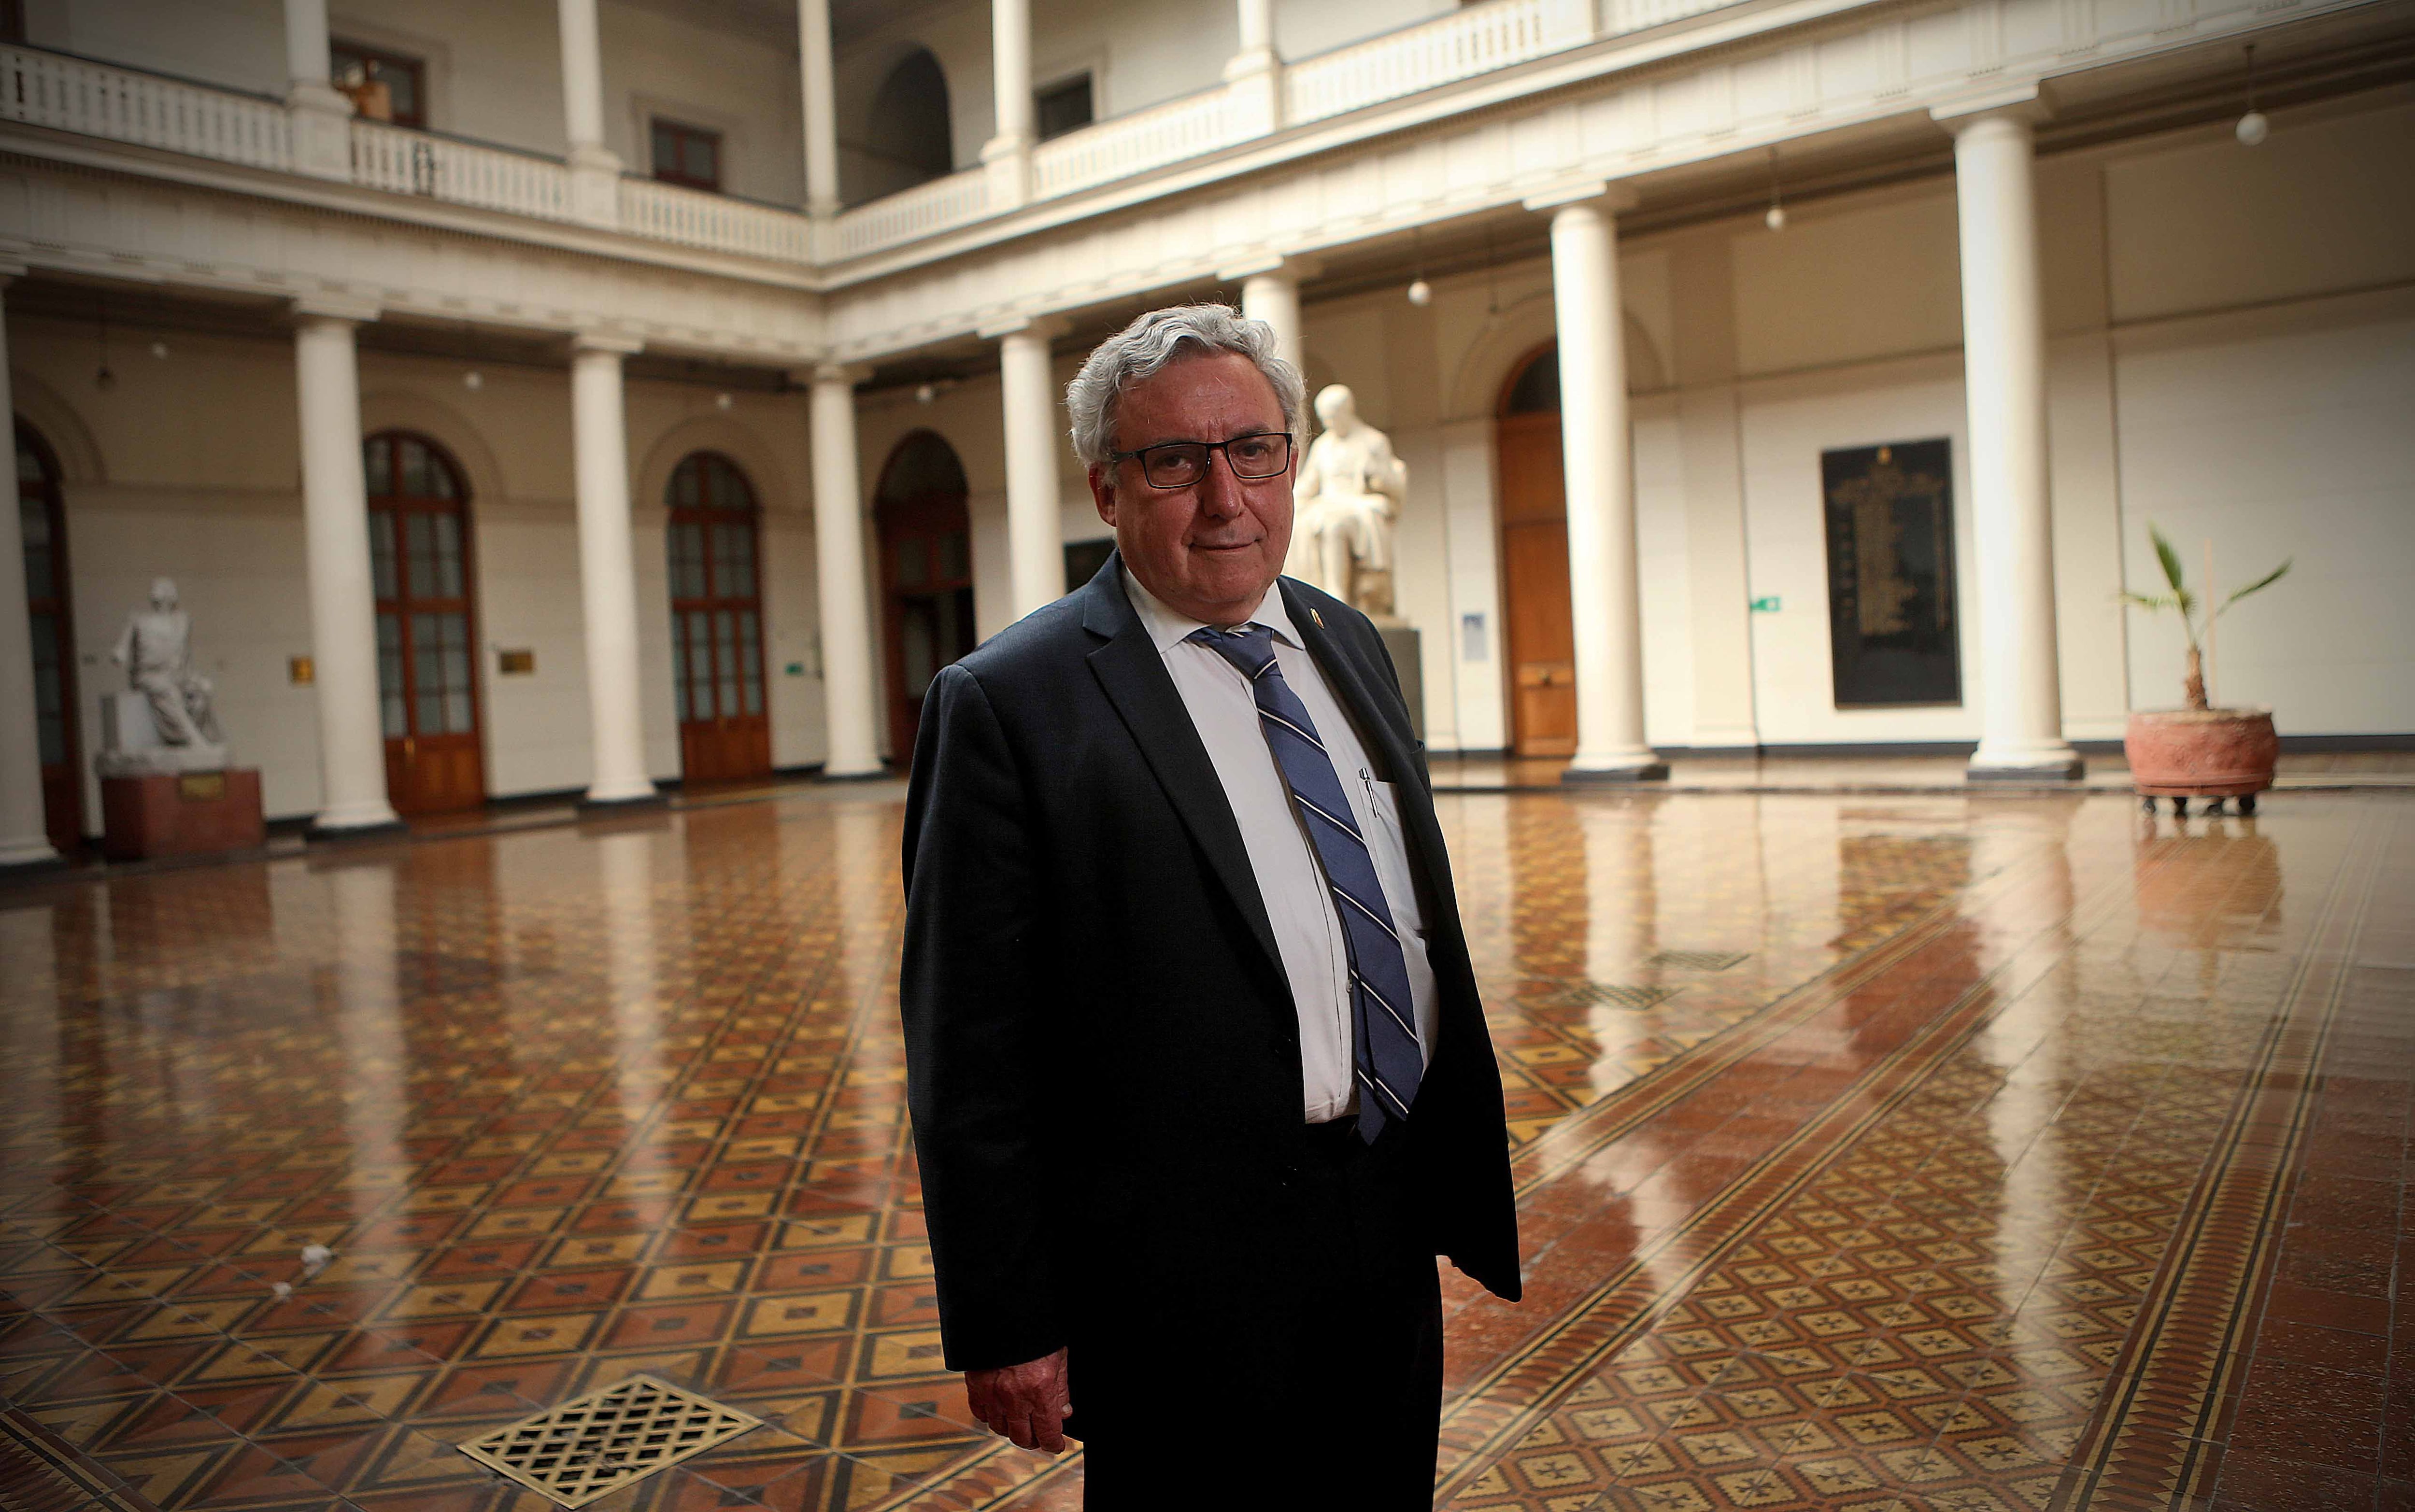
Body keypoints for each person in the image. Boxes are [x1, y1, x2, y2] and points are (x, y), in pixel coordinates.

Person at [899, 304, 1520, 1508]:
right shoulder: (1011, 704)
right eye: (1173, 462)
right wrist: (1008, 1315)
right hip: (1173, 1273)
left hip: (1382, 1218)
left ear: (1292, 458)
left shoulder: (1344, 641)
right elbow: (969, 1050)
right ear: (1105, 490)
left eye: (1254, 450)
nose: (1225, 497)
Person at [1288, 383, 1407, 620]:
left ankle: (1336, 596)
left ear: (1347, 412)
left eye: (1334, 417)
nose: (1330, 423)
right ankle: (1317, 593)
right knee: (1308, 521)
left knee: (1335, 525)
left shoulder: (1373, 442)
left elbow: (1391, 484)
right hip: (1329, 503)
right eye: (1326, 419)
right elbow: (1308, 484)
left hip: (1359, 504)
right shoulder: (1324, 446)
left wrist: (1377, 476)